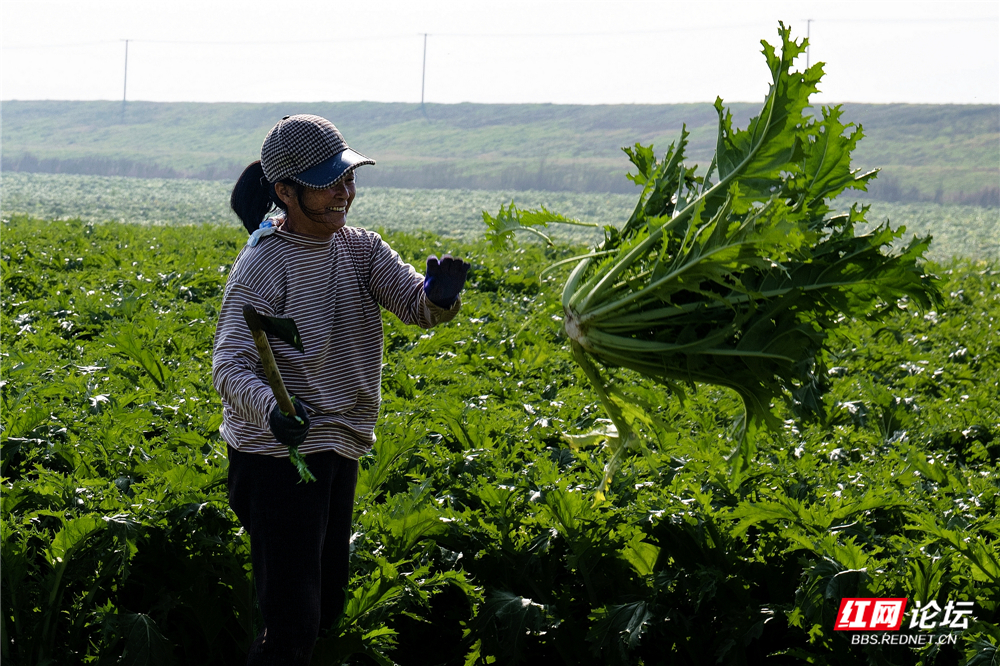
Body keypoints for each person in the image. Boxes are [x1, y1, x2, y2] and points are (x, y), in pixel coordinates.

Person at [212, 114, 469, 665]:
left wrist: (441, 298)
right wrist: (272, 412)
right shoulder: (263, 263)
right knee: (292, 623)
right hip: (277, 457)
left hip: (338, 444)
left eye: (347, 179)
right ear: (285, 191)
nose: (343, 193)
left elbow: (414, 305)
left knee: (324, 608)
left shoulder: (363, 249)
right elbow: (229, 366)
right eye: (328, 183)